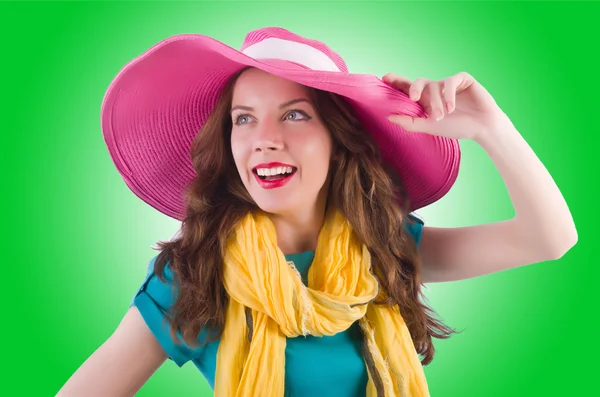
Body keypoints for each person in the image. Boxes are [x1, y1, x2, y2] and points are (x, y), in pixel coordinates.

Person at [57, 27, 577, 397]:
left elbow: (548, 238)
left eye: (295, 115)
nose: (264, 140)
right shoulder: (193, 276)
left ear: (337, 142)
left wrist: (492, 129)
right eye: (244, 119)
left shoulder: (386, 246)